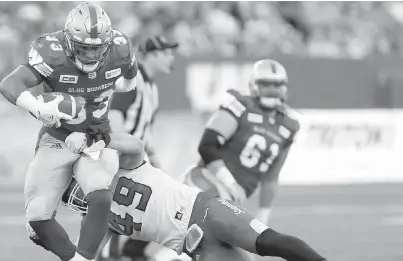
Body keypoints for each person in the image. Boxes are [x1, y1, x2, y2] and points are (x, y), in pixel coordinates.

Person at [0, 3, 137, 261]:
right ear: (70, 41)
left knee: (100, 195)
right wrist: (38, 107)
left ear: (107, 44)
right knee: (37, 220)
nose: (90, 56)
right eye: (84, 48)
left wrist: (112, 89)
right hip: (57, 138)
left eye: (97, 49)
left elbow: (130, 81)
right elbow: (9, 85)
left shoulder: (119, 47)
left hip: (96, 138)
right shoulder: (52, 50)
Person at [61, 134, 327, 261]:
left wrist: (105, 143)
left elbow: (134, 145)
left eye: (75, 187)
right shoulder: (97, 220)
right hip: (194, 247)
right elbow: (85, 256)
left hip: (205, 211)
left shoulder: (122, 167)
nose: (78, 196)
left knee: (268, 241)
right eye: (71, 196)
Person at [181, 59, 299, 225]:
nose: (272, 90)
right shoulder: (241, 106)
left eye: (277, 85)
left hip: (230, 197)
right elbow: (207, 146)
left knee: (229, 244)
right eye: (266, 84)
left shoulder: (289, 126)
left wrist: (263, 220)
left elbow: (271, 178)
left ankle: (136, 248)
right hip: (206, 180)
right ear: (254, 85)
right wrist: (229, 181)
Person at [104, 35, 179, 261]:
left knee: (155, 203)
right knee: (120, 208)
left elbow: (144, 127)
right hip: (126, 158)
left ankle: (130, 252)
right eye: (166, 53)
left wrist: (153, 155)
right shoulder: (133, 79)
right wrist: (119, 152)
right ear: (152, 56)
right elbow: (115, 116)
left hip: (138, 158)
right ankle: (112, 254)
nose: (171, 58)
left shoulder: (151, 86)